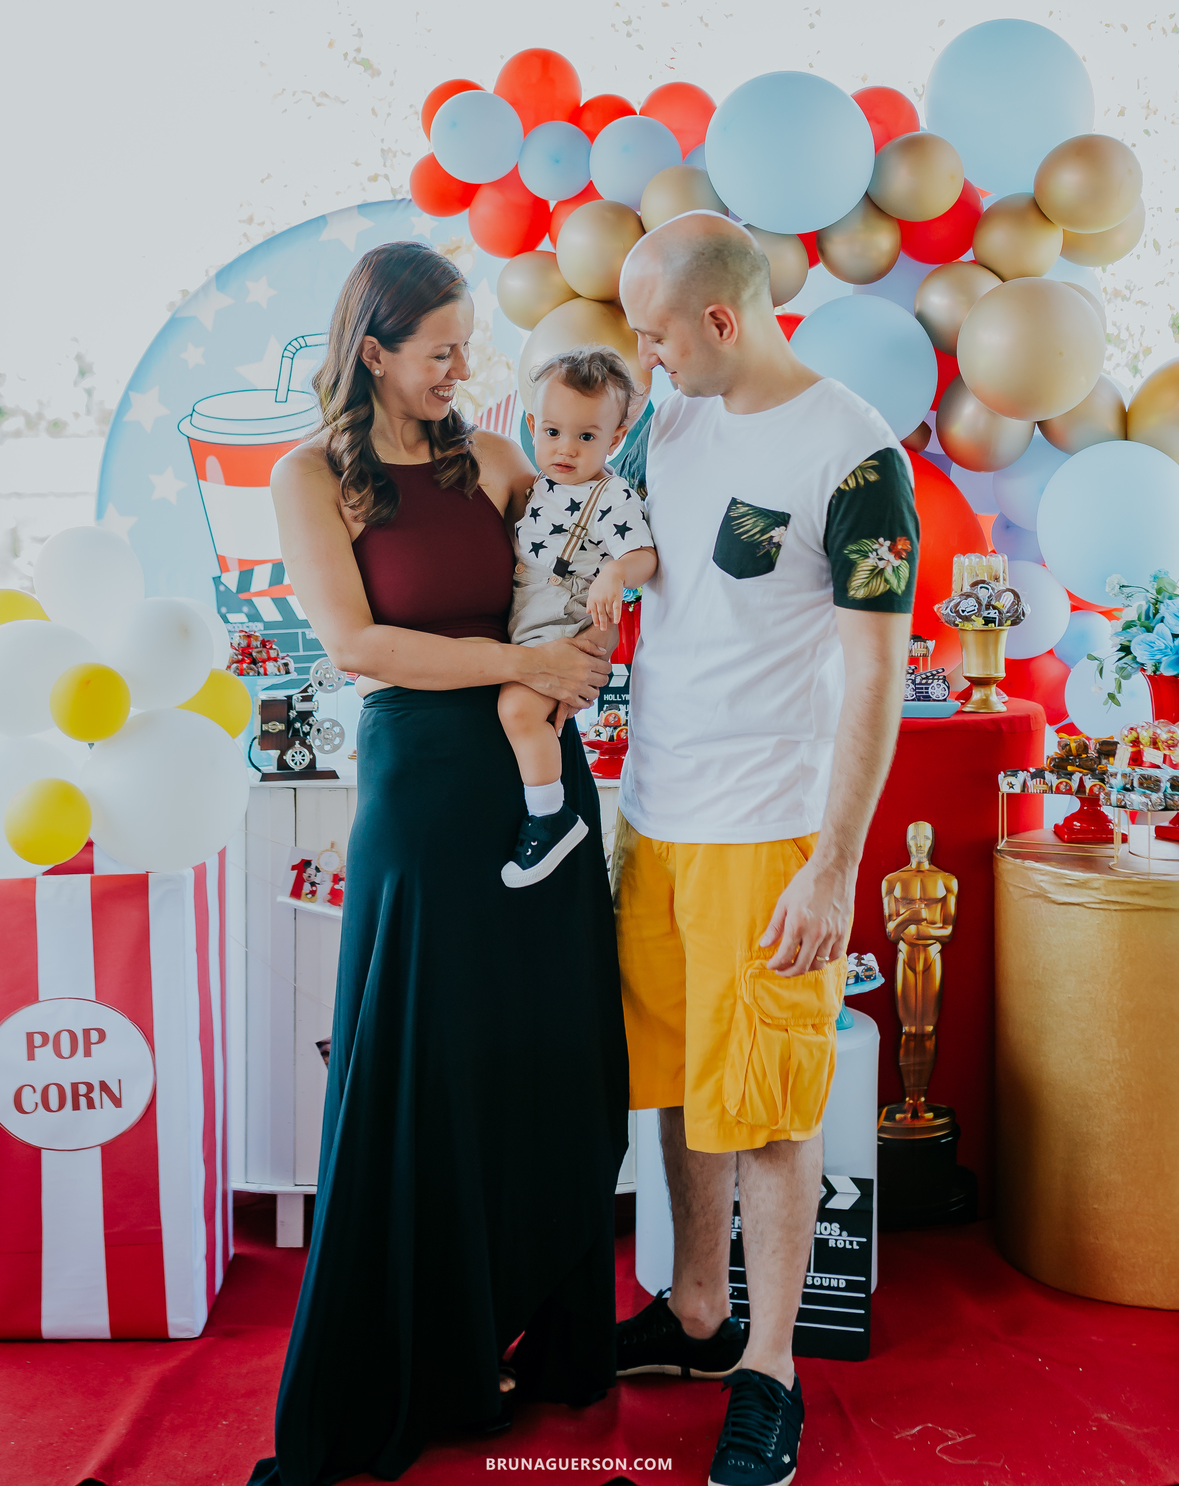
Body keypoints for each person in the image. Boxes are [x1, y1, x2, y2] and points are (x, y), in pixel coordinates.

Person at [250, 241, 629, 1486]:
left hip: (537, 785)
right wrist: (522, 667)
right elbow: (359, 645)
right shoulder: (312, 477)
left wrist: (591, 627)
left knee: (548, 1046)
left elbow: (576, 571)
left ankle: (543, 1328)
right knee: (423, 1062)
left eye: (471, 344)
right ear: (373, 351)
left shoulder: (504, 461)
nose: (468, 370)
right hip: (422, 788)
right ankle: (424, 1354)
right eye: (443, 350)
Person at [612, 213, 918, 1486]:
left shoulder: (855, 455)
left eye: (657, 332)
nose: (643, 354)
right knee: (685, 1082)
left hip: (770, 827)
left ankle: (771, 1369)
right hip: (655, 816)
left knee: (777, 1105)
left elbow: (877, 672)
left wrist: (833, 862)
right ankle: (697, 1314)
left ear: (722, 322)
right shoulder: (666, 419)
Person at [499, 345, 656, 888]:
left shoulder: (611, 495)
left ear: (615, 440)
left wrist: (615, 573)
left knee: (518, 710)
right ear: (531, 425)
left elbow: (644, 556)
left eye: (586, 437)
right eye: (552, 432)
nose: (566, 449)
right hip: (525, 623)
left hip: (564, 624)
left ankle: (550, 816)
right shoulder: (534, 489)